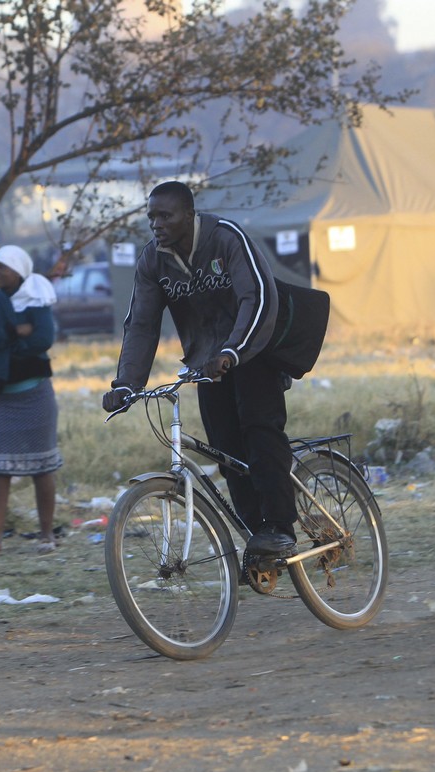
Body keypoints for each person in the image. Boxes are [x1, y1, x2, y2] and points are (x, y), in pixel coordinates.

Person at [103, 181, 298, 559]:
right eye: (151, 217)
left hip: (253, 350)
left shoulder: (226, 238)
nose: (156, 224)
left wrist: (232, 351)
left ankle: (279, 527)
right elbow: (141, 325)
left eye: (165, 215)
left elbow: (256, 297)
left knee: (260, 433)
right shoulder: (152, 260)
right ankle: (258, 540)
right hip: (206, 364)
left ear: (189, 215)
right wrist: (126, 384)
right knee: (226, 451)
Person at [0, 245, 63, 554]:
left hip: (35, 395)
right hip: (1, 397)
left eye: (2, 268)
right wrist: (13, 334)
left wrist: (7, 346)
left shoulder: (37, 300)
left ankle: (47, 534)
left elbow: (42, 339)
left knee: (42, 466)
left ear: (19, 271)